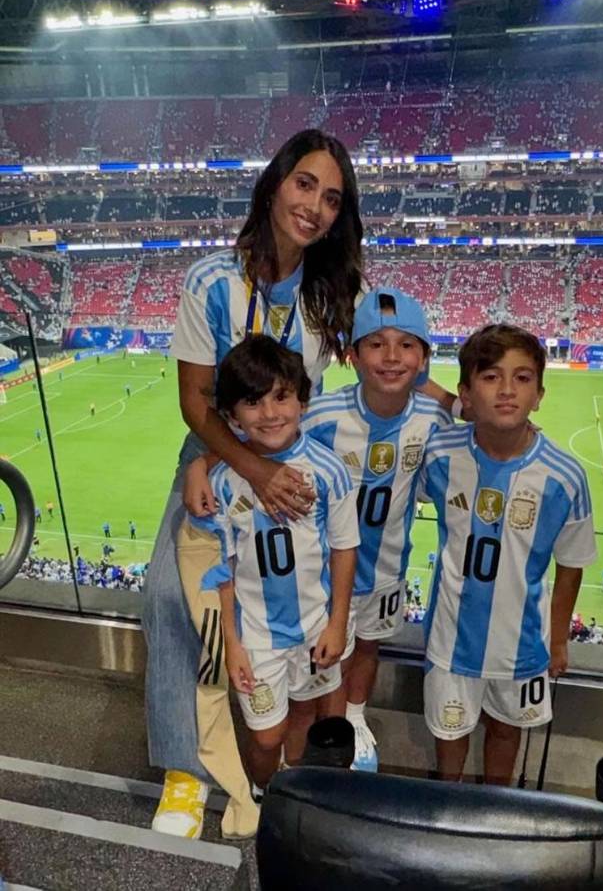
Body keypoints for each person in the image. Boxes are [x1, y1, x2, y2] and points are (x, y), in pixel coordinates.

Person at [144, 130, 429, 841]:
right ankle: (185, 772)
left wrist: (447, 398)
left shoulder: (330, 294)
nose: (316, 207)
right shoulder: (212, 280)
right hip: (216, 454)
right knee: (171, 598)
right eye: (306, 185)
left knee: (294, 606)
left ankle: (285, 760)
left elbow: (382, 364)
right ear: (275, 185)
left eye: (333, 199)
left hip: (293, 459)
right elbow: (194, 401)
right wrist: (238, 465)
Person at [418, 324, 596, 785]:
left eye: (521, 379)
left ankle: (494, 814)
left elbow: (571, 566)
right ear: (467, 392)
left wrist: (557, 640)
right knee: (449, 736)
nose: (506, 390)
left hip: (523, 644)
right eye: (491, 377)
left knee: (504, 732)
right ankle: (448, 809)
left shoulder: (565, 476)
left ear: (539, 393)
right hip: (451, 638)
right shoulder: (439, 454)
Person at [191, 337, 359, 797]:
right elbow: (224, 567)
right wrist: (233, 643)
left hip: (315, 627)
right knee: (266, 736)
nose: (269, 413)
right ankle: (264, 789)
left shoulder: (329, 472)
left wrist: (338, 624)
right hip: (257, 637)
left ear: (302, 402)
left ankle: (292, 792)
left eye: (281, 397)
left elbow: (345, 548)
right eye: (252, 402)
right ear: (231, 416)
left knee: (304, 713)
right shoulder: (225, 481)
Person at [299, 288, 451, 771]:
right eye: (376, 344)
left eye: (406, 344)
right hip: (325, 573)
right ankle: (330, 732)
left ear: (424, 357)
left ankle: (356, 718)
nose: (391, 356)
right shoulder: (322, 417)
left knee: (368, 645)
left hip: (388, 566)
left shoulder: (432, 420)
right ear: (352, 354)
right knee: (327, 654)